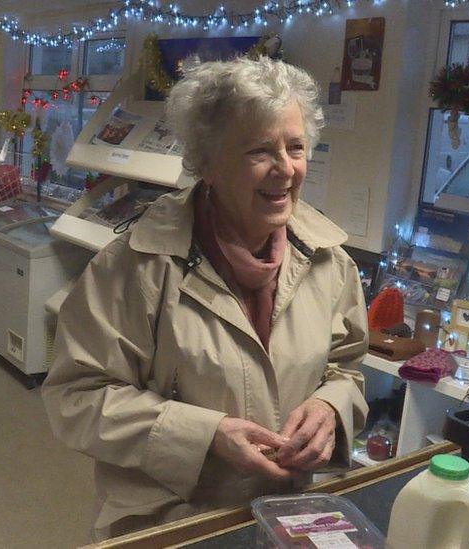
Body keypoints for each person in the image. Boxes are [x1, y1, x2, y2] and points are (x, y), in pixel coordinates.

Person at [42, 56, 369, 541]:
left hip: (287, 518)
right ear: (208, 164)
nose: (286, 169)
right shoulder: (134, 267)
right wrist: (205, 435)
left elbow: (347, 370)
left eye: (296, 147)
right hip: (176, 523)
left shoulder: (331, 263)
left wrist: (330, 409)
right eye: (260, 150)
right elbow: (77, 397)